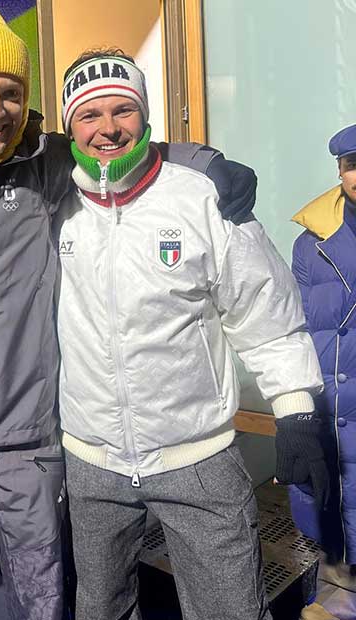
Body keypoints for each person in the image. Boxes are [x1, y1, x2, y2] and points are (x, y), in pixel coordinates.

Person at [0, 10, 258, 620]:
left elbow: (122, 144)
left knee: (45, 600)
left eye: (10, 93)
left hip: (31, 441)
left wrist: (206, 159)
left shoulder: (46, 162)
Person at [54, 49, 327, 620]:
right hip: (90, 458)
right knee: (100, 608)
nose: (107, 128)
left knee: (228, 608)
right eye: (89, 114)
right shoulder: (52, 204)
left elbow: (264, 311)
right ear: (67, 125)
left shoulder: (204, 196)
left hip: (198, 456)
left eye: (123, 110)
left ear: (146, 114)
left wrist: (296, 409)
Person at [290, 123, 356, 565]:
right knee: (331, 551)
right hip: (330, 417)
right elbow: (292, 333)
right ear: (339, 171)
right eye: (352, 164)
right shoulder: (310, 246)